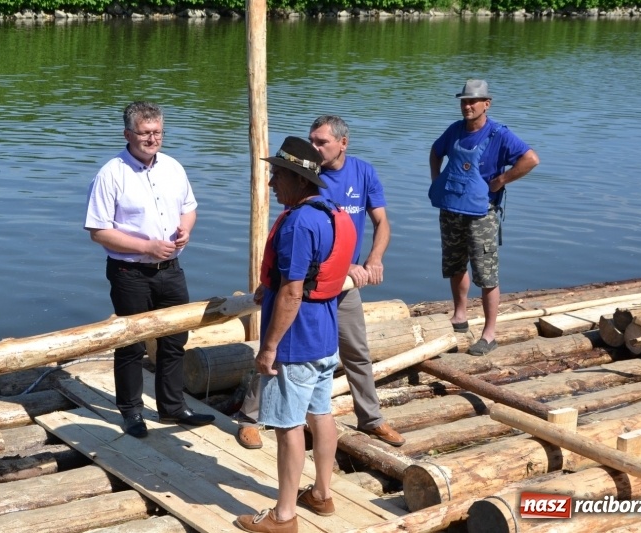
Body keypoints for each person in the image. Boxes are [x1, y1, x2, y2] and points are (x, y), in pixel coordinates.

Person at [236, 115, 405, 450]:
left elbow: (382, 222)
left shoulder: (363, 172)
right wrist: (272, 282)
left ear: (343, 142)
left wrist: (373, 259)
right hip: (306, 286)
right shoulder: (305, 177)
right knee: (276, 348)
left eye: (321, 142)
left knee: (356, 351)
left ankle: (371, 419)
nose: (314, 148)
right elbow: (295, 239)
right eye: (311, 141)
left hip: (344, 285)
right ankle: (250, 418)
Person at [235, 136, 355, 533]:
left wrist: (268, 347)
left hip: (295, 342)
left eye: (277, 175)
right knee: (321, 414)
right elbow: (309, 276)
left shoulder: (298, 223)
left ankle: (283, 516)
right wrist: (266, 287)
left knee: (288, 427)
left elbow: (292, 291)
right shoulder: (330, 213)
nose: (271, 183)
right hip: (324, 336)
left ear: (299, 180)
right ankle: (322, 494)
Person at [84, 101, 214, 438]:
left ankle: (172, 407)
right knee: (131, 344)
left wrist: (187, 228)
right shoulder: (111, 173)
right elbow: (98, 230)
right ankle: (131, 412)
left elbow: (189, 208)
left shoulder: (172, 167)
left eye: (157, 132)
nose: (152, 138)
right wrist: (146, 247)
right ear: (128, 134)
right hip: (130, 272)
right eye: (145, 133)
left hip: (171, 268)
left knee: (174, 339)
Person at [428, 80, 540, 356]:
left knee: (486, 273)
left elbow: (531, 159)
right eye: (464, 101)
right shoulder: (454, 130)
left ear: (486, 104)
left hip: (483, 213)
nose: (467, 106)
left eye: (473, 102)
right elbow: (435, 151)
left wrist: (502, 179)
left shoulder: (499, 134)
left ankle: (489, 334)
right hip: (451, 208)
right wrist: (437, 181)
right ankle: (460, 316)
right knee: (454, 264)